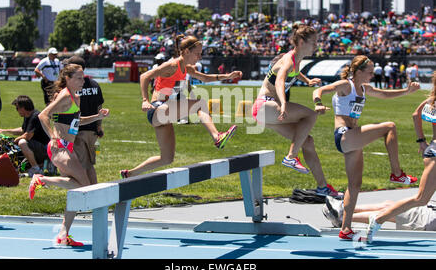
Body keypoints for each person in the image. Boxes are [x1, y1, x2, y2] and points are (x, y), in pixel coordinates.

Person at [312, 55, 420, 240]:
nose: (372, 75)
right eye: (369, 72)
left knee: (354, 186)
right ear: (358, 72)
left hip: (353, 139)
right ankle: (397, 173)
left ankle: (345, 229)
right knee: (390, 126)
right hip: (344, 135)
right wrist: (318, 104)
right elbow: (320, 90)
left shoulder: (364, 88)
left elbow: (384, 94)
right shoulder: (346, 85)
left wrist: (406, 92)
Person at [119, 35, 242, 178]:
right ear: (186, 52)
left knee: (167, 158)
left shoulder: (187, 68)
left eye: (201, 54)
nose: (199, 57)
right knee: (199, 104)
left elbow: (204, 78)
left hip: (162, 113)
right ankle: (217, 137)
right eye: (197, 54)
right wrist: (145, 100)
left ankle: (129, 174)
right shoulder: (172, 65)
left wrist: (227, 76)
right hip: (157, 109)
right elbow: (144, 76)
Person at [251, 24, 338, 197]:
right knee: (311, 114)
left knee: (308, 142)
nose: (316, 46)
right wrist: (283, 103)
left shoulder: (295, 60)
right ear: (300, 41)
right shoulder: (288, 60)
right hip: (265, 105)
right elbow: (280, 81)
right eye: (313, 42)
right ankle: (291, 156)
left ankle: (322, 187)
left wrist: (307, 80)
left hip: (264, 112)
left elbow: (294, 73)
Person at [29, 64, 110, 247]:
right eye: (79, 78)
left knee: (76, 191)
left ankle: (63, 234)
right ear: (68, 79)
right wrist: (53, 137)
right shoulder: (65, 95)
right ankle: (41, 180)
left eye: (83, 78)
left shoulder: (76, 97)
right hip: (60, 148)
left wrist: (97, 117)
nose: (83, 81)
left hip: (67, 148)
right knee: (85, 187)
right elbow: (43, 115)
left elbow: (76, 121)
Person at [367, 71, 436, 243]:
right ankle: (378, 219)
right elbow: (416, 115)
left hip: (432, 149)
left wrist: (421, 140)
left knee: (423, 198)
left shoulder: (432, 99)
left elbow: (415, 115)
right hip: (435, 155)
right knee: (421, 198)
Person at [63, 56, 104, 185]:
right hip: (92, 130)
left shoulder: (73, 85)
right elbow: (99, 107)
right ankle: (95, 191)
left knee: (80, 167)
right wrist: (98, 127)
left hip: (77, 130)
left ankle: (87, 193)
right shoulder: (94, 84)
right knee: (90, 165)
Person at [0, 95, 49, 176]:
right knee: (22, 168)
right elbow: (23, 130)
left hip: (44, 150)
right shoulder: (28, 116)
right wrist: (5, 131)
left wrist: (14, 141)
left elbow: (27, 136)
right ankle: (41, 166)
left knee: (22, 142)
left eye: (17, 108)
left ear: (23, 108)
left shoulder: (35, 116)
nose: (17, 110)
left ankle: (36, 169)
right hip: (37, 148)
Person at [323, 196, 436, 231]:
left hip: (429, 220)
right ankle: (341, 209)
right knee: (389, 204)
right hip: (432, 210)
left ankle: (343, 217)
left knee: (389, 211)